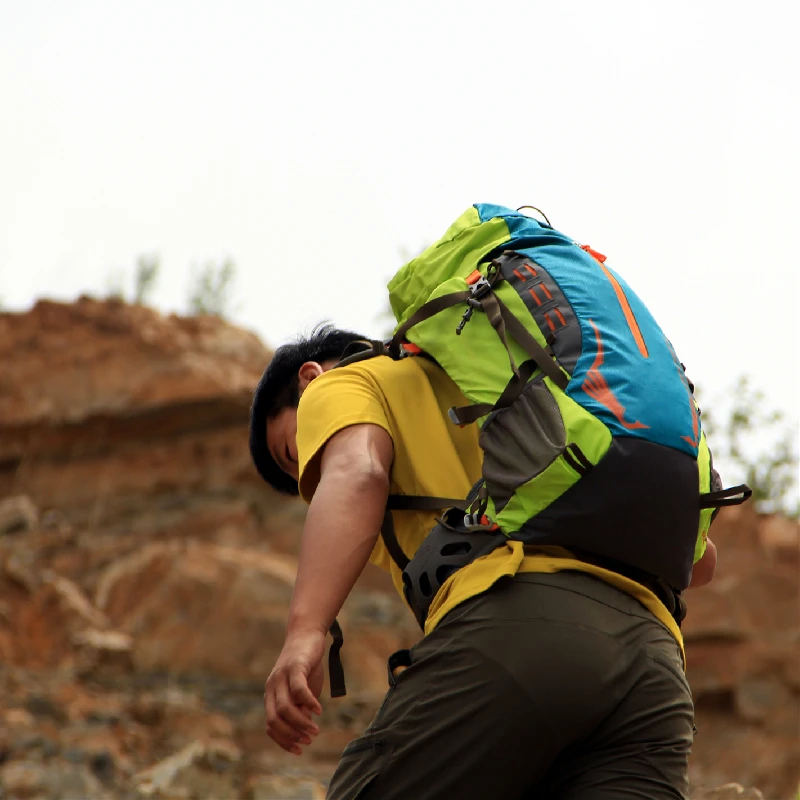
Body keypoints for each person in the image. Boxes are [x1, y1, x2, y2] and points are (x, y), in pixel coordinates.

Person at [249, 323, 719, 800]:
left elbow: (358, 469)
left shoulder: (347, 383)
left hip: (523, 626)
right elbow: (701, 564)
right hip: (655, 669)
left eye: (293, 453)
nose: (311, 470)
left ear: (309, 378)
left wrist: (307, 631)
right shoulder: (514, 384)